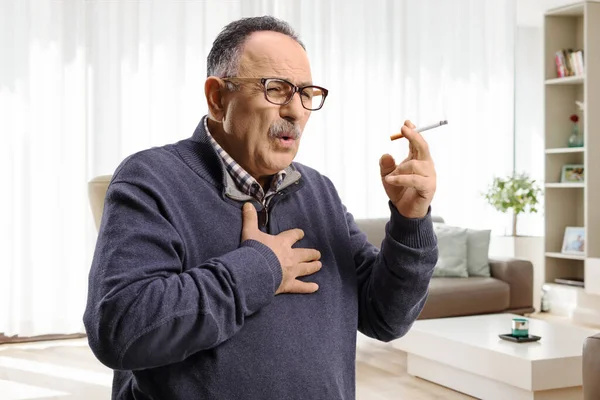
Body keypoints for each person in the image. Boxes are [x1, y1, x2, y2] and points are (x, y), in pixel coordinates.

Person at [83, 15, 438, 400]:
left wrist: (409, 221)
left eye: (305, 93)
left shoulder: (318, 190)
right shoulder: (151, 179)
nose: (296, 111)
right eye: (276, 89)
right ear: (218, 99)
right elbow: (120, 329)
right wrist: (259, 269)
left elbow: (385, 317)